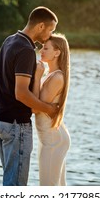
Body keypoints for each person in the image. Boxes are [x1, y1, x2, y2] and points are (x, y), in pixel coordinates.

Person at [0, 6, 59, 186]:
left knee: (9, 179)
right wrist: (49, 109)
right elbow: (21, 93)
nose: (50, 35)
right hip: (15, 124)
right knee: (16, 186)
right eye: (51, 30)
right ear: (41, 26)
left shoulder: (10, 40)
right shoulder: (26, 50)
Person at [33, 33, 71, 186]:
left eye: (46, 48)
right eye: (42, 47)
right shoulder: (51, 74)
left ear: (57, 52)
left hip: (53, 140)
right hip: (50, 138)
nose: (41, 50)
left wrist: (36, 77)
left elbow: (35, 108)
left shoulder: (56, 77)